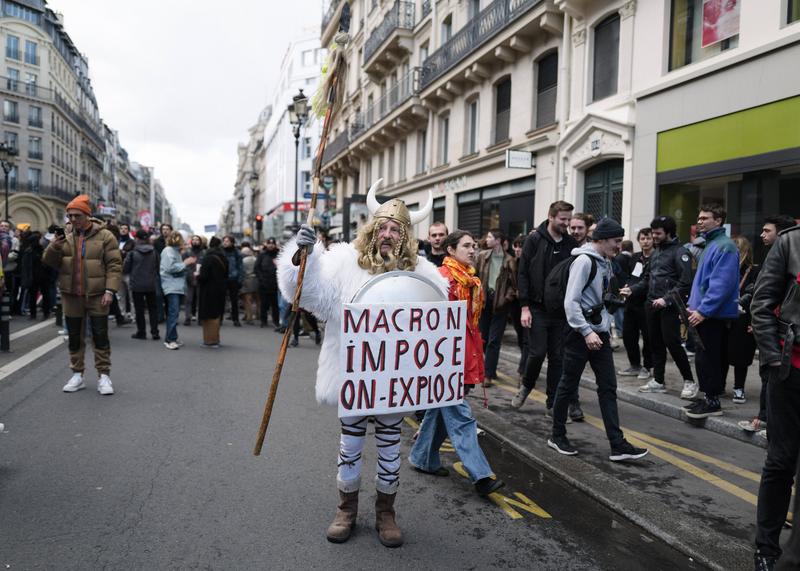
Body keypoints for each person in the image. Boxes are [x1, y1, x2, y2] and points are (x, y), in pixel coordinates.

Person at [277, 182, 440, 547]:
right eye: (382, 227)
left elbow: (437, 322)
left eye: (395, 229)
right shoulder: (344, 262)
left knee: (387, 445)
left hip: (395, 380)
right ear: (371, 228)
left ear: (405, 236)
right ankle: (345, 509)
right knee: (350, 445)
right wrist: (302, 257)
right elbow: (306, 293)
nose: (387, 234)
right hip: (353, 373)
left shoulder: (423, 272)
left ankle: (386, 512)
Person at [410, 229, 506, 495]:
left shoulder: (470, 280)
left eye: (474, 245)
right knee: (460, 415)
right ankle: (482, 475)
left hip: (465, 352)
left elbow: (470, 325)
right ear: (451, 251)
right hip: (445, 358)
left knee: (441, 410)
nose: (472, 250)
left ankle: (422, 458)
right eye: (466, 246)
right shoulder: (441, 278)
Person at [547, 218, 649, 462]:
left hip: (599, 332)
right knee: (568, 385)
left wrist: (611, 305)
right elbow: (570, 303)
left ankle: (617, 444)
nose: (619, 246)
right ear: (601, 240)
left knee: (608, 388)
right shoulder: (583, 261)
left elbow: (598, 297)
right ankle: (557, 435)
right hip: (580, 334)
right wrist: (586, 331)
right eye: (615, 241)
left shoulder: (606, 262)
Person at [750, 223, 800, 570]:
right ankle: (766, 548)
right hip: (790, 371)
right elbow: (762, 304)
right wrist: (771, 358)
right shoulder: (790, 243)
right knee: (782, 461)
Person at [42, 195, 122, 395]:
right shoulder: (65, 236)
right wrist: (55, 246)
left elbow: (114, 265)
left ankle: (104, 376)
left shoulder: (105, 236)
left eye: (76, 215)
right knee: (75, 337)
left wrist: (110, 290)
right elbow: (49, 262)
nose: (72, 219)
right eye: (69, 216)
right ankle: (77, 374)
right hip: (71, 295)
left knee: (100, 335)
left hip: (97, 295)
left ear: (87, 215)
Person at [513, 201, 583, 421]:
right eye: (562, 219)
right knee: (537, 353)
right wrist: (524, 307)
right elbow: (522, 273)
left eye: (568, 219)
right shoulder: (534, 240)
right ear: (551, 217)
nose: (566, 223)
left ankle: (552, 402)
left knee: (557, 358)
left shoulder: (571, 244)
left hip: (561, 311)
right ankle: (526, 386)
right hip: (537, 307)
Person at [622, 216, 696, 396]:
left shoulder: (680, 252)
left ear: (668, 233)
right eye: (653, 232)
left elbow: (685, 282)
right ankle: (658, 380)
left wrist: (666, 299)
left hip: (669, 307)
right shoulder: (656, 253)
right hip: (651, 305)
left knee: (673, 343)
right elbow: (647, 279)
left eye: (657, 233)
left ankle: (689, 381)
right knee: (655, 343)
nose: (654, 236)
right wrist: (632, 289)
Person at [739, 215, 798, 435]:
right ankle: (766, 419)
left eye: (767, 231)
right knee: (769, 377)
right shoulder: (775, 257)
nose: (762, 235)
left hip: (784, 338)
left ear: (782, 234)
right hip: (774, 339)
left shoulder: (788, 257)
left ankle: (767, 419)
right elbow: (761, 294)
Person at [683, 204, 739, 419]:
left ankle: (713, 402)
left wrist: (704, 311)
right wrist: (694, 306)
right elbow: (704, 282)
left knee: (711, 359)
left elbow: (721, 284)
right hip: (704, 313)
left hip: (713, 316)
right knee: (703, 359)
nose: (700, 221)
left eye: (705, 218)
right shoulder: (712, 244)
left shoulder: (725, 246)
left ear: (718, 220)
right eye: (699, 218)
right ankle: (708, 398)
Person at [476, 228, 517, 387]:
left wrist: (506, 298)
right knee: (483, 339)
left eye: (490, 237)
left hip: (500, 305)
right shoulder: (482, 256)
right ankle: (485, 368)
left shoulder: (509, 260)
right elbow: (476, 277)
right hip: (484, 303)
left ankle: (488, 374)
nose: (487, 239)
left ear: (498, 240)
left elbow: (514, 286)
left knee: (494, 341)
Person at [723, 236, 759, 404]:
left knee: (741, 357)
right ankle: (719, 386)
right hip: (724, 317)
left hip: (744, 318)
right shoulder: (724, 268)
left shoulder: (753, 271)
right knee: (721, 354)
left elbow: (754, 295)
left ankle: (739, 388)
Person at [618, 228, 654, 381]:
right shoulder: (635, 258)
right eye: (642, 239)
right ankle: (634, 365)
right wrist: (626, 286)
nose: (645, 241)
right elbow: (630, 276)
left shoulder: (656, 257)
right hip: (631, 302)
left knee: (647, 337)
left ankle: (647, 366)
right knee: (628, 335)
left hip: (647, 303)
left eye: (648, 238)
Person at [124, 229, 160, 341]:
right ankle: (155, 332)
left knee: (139, 309)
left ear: (137, 239)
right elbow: (158, 267)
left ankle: (141, 332)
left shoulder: (132, 253)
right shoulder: (154, 251)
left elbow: (125, 269)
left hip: (137, 284)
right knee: (153, 309)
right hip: (151, 284)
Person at [160, 231, 194, 350]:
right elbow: (170, 268)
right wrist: (185, 264)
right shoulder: (169, 251)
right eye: (183, 240)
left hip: (176, 286)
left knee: (174, 313)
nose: (184, 243)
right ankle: (169, 340)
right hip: (172, 286)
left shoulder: (174, 251)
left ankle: (173, 337)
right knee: (173, 313)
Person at [198, 237, 228, 347]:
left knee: (208, 315)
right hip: (220, 289)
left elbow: (204, 276)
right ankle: (216, 339)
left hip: (208, 290)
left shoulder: (208, 258)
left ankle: (209, 341)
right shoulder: (223, 257)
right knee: (216, 314)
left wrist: (198, 276)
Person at [255, 238, 280, 328]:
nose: (270, 245)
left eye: (272, 243)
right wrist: (261, 279)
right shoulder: (262, 255)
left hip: (275, 284)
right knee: (264, 304)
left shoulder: (278, 255)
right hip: (264, 284)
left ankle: (276, 321)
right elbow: (257, 268)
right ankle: (263, 321)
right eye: (269, 243)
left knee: (275, 305)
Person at [182, 235, 205, 325]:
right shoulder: (187, 253)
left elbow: (206, 265)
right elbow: (183, 265)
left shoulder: (204, 253)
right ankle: (188, 317)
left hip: (201, 279)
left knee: (201, 300)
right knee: (188, 299)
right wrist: (188, 274)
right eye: (194, 240)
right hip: (189, 278)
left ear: (200, 242)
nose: (195, 241)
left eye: (197, 240)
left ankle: (201, 318)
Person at [222, 235, 243, 327]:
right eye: (224, 241)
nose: (225, 243)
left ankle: (236, 319)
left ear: (232, 242)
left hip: (234, 279)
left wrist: (240, 279)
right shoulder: (221, 252)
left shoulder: (237, 253)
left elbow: (241, 267)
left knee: (234, 300)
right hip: (223, 279)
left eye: (227, 241)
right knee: (221, 300)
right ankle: (219, 319)